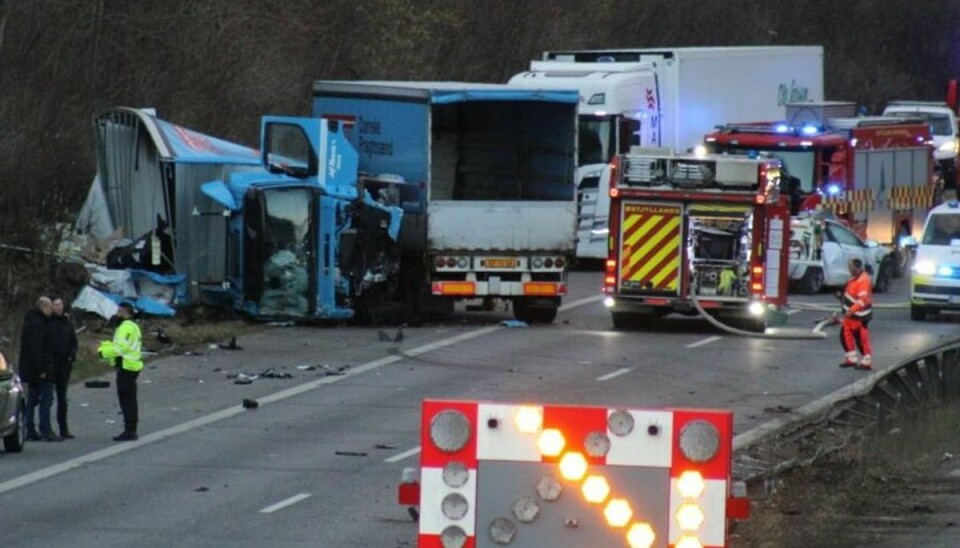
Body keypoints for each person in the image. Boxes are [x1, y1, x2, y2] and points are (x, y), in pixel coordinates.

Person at [98, 302, 143, 441]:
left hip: (126, 366)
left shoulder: (125, 327)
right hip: (131, 365)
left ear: (125, 312)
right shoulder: (133, 326)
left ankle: (130, 430)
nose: (116, 314)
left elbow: (120, 348)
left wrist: (102, 352)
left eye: (119, 311)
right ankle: (131, 428)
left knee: (126, 399)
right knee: (129, 399)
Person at [19, 296, 61, 441]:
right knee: (45, 400)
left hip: (31, 370)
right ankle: (45, 429)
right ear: (43, 307)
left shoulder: (31, 322)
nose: (52, 310)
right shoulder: (39, 324)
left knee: (32, 400)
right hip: (41, 370)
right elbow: (36, 349)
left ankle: (29, 429)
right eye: (50, 307)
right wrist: (41, 369)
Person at [49, 297, 78, 439]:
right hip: (50, 366)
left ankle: (63, 428)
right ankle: (45, 427)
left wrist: (72, 356)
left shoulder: (67, 323)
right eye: (55, 305)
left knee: (62, 398)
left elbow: (74, 342)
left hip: (64, 366)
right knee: (46, 398)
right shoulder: (48, 323)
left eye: (60, 304)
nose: (59, 307)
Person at [838, 258, 873, 370]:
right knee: (845, 335)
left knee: (860, 338)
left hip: (859, 316)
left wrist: (851, 310)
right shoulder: (855, 279)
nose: (849, 269)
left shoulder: (863, 281)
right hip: (851, 315)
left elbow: (863, 300)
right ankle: (851, 357)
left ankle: (866, 360)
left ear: (856, 267)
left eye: (850, 267)